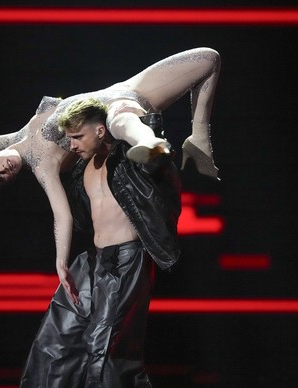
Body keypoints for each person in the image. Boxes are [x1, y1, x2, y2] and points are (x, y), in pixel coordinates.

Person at [0, 47, 221, 298]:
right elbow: (63, 217)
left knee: (209, 58)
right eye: (1, 178)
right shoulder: (41, 165)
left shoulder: (16, 137)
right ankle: (149, 142)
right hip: (120, 113)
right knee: (118, 118)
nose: (3, 169)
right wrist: (60, 262)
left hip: (127, 88)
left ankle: (198, 138)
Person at [20, 97, 180, 387]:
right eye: (69, 138)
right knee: (54, 343)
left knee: (104, 347)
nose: (72, 145)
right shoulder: (82, 168)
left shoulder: (130, 158)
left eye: (78, 136)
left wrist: (153, 132)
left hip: (126, 260)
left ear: (100, 131)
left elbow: (158, 159)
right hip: (93, 261)